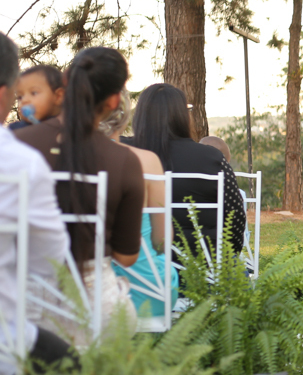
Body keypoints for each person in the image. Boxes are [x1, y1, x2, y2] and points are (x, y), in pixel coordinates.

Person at [15, 47, 142, 344]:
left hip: (24, 306)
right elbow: (127, 256)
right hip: (96, 310)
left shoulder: (14, 145)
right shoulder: (124, 161)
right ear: (113, 100)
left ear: (64, 88)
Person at [0, 32, 74, 374]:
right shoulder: (20, 162)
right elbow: (48, 263)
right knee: (77, 373)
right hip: (6, 340)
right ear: (6, 93)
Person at [130, 84, 245, 259]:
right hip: (204, 269)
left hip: (141, 270)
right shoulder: (212, 159)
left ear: (140, 115)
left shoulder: (123, 153)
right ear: (182, 116)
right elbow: (235, 221)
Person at [99, 91, 179, 319]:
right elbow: (163, 239)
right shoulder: (147, 161)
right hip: (147, 289)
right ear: (123, 117)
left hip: (78, 293)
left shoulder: (63, 159)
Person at [10, 64, 64, 129]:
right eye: (20, 97)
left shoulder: (71, 127)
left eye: (34, 93)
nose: (24, 100)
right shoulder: (15, 130)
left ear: (58, 96)